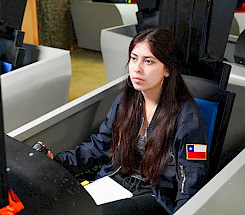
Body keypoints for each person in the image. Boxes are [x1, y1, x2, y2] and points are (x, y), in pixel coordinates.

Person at [47, 28, 209, 215]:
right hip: (115, 181)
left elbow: (190, 180)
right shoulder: (125, 102)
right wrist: (56, 161)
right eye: (134, 58)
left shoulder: (188, 119)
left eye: (148, 61)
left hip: (153, 196)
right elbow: (99, 147)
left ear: (167, 70)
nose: (137, 68)